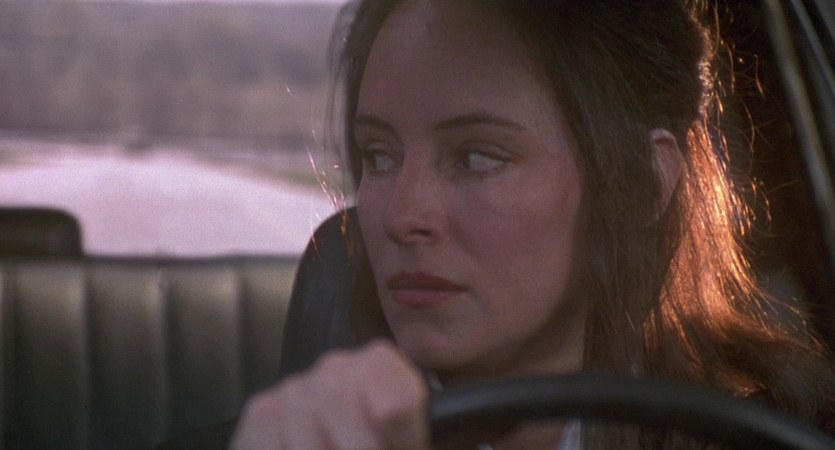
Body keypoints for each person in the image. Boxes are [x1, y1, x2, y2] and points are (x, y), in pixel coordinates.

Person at [231, 0, 835, 448]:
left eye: (476, 157)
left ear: (644, 184)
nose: (400, 216)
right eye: (380, 156)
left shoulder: (779, 429)